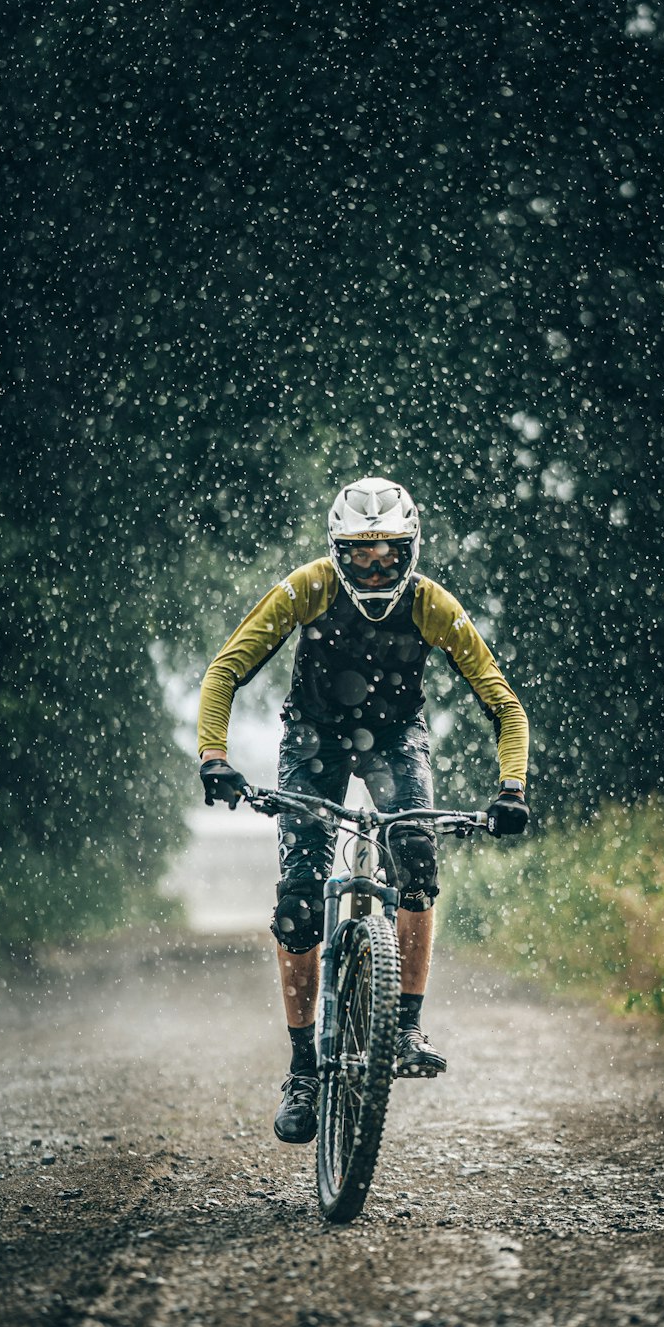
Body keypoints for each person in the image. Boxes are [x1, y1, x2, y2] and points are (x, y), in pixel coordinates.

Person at [197, 478, 529, 1144]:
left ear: (410, 551)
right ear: (335, 552)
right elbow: (225, 671)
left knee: (418, 864)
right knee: (296, 905)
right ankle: (301, 1072)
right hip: (314, 738)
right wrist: (214, 757)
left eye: (388, 554)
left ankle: (404, 1029)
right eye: (359, 555)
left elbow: (505, 706)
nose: (375, 567)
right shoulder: (307, 589)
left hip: (396, 740)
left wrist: (512, 790)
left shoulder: (433, 605)